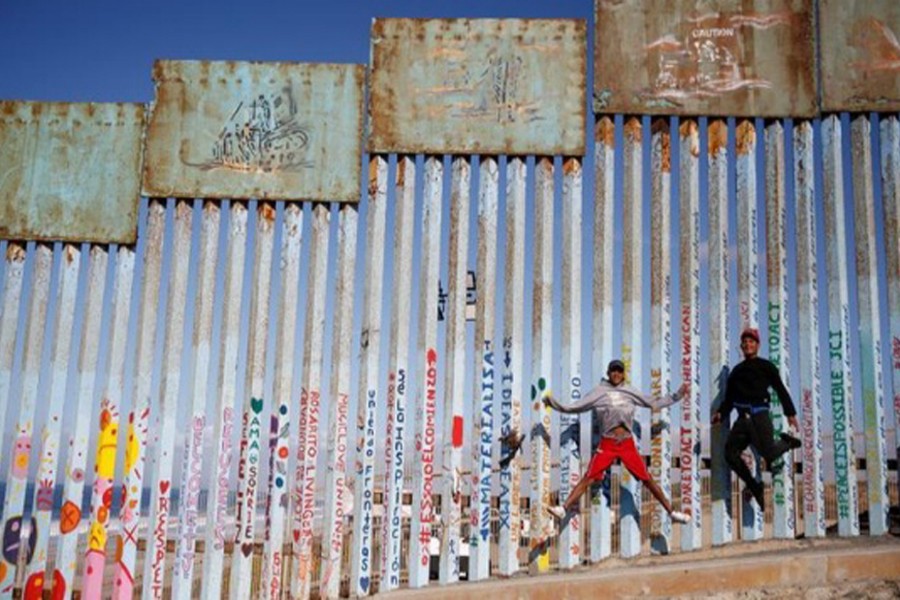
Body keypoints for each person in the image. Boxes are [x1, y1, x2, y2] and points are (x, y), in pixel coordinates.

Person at [539, 359, 691, 524]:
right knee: (589, 477)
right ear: (608, 373)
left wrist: (676, 396)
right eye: (613, 371)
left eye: (619, 371)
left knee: (647, 479)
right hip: (608, 444)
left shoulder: (630, 392)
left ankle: (672, 512)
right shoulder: (598, 392)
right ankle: (563, 509)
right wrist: (553, 403)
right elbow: (574, 407)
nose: (616, 374)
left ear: (623, 373)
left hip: (626, 444)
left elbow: (653, 402)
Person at [712, 327, 802, 510]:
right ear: (741, 346)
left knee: (768, 453)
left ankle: (788, 442)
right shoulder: (735, 372)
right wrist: (721, 414)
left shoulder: (766, 366)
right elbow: (729, 400)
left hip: (759, 415)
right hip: (742, 420)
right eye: (745, 341)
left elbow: (780, 389)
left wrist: (790, 413)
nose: (747, 344)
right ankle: (755, 486)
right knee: (730, 454)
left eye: (751, 341)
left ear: (758, 345)